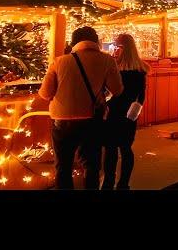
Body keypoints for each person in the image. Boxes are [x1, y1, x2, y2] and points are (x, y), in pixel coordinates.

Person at [38, 26, 123, 189]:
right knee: (91, 166)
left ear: (73, 42)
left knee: (63, 167)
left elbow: (45, 93)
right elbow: (117, 90)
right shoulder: (107, 60)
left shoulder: (59, 61)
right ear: (95, 41)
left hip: (62, 121)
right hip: (92, 119)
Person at [102, 34, 149, 190]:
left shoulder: (113, 66)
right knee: (126, 148)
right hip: (128, 114)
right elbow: (141, 96)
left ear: (122, 48)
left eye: (117, 46)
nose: (114, 49)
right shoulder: (139, 69)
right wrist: (133, 114)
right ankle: (123, 183)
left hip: (113, 112)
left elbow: (108, 91)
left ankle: (108, 182)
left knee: (110, 149)